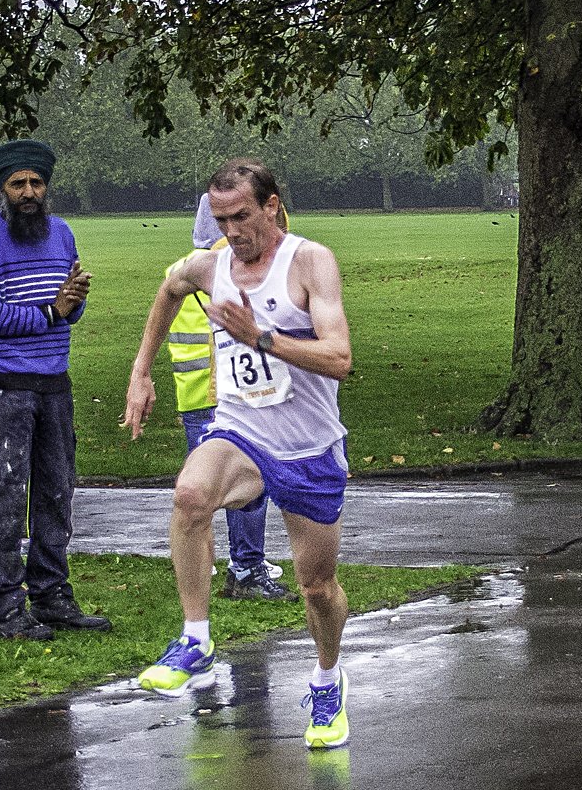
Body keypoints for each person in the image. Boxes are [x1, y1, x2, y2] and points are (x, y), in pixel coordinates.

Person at [123, 158, 353, 749]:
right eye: (221, 219)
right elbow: (169, 288)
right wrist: (141, 371)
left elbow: (339, 358)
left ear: (272, 205)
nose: (232, 232)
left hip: (308, 446)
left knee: (317, 587)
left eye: (242, 217)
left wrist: (262, 338)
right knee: (190, 494)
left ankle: (328, 679)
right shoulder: (210, 265)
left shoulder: (310, 262)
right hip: (240, 429)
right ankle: (196, 638)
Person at [0, 139, 112, 640]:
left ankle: (51, 596)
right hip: (5, 387)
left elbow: (70, 310)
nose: (28, 192)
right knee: (6, 496)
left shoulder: (61, 234)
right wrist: (53, 310)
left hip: (54, 385)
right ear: (2, 188)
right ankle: (5, 608)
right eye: (18, 183)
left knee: (57, 493)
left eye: (37, 183)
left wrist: (74, 302)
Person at [169, 193, 295, 601]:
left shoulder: (182, 268)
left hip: (193, 393)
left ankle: (205, 567)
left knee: (201, 492)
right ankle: (246, 567)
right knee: (248, 488)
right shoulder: (230, 268)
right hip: (231, 393)